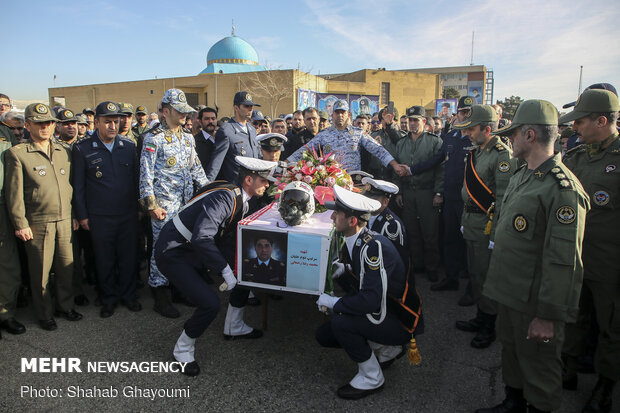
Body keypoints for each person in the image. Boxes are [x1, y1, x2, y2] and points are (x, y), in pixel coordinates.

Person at [476, 100, 589, 413]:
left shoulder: (562, 189)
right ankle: (513, 401)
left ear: (528, 135)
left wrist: (549, 315)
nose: (508, 140)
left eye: (512, 133)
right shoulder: (524, 174)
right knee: (512, 354)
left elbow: (564, 260)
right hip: (510, 293)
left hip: (535, 302)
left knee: (540, 369)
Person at [154, 156, 276, 376]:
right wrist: (225, 269)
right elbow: (203, 237)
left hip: (190, 249)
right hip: (174, 252)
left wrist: (237, 268)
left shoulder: (237, 195)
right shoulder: (226, 198)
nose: (267, 185)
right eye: (264, 180)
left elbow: (222, 238)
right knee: (210, 303)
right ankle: (183, 349)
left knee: (243, 269)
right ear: (249, 179)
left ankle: (234, 326)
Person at [315, 185, 412, 400]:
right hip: (387, 309)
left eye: (337, 213)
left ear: (352, 221)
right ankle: (386, 347)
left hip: (398, 319)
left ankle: (371, 377)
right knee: (324, 334)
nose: (332, 217)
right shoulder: (361, 239)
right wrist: (346, 271)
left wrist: (334, 303)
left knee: (340, 323)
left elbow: (370, 300)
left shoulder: (371, 248)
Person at [560, 89, 620, 413]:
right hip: (577, 257)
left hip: (611, 263)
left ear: (601, 120)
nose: (575, 128)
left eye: (581, 122)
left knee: (612, 325)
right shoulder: (577, 156)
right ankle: (568, 368)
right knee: (574, 315)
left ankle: (606, 385)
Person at [4, 103, 82, 331]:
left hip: (65, 219)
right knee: (41, 272)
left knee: (67, 267)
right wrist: (20, 224)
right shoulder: (17, 154)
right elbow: (14, 194)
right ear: (28, 125)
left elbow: (70, 188)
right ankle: (44, 313)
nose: (45, 127)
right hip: (38, 222)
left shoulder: (63, 151)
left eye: (48, 123)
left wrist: (75, 215)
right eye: (39, 123)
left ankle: (65, 306)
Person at [450, 105, 516, 349]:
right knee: (477, 274)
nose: (466, 133)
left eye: (471, 129)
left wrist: (497, 233)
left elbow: (503, 199)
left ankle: (490, 324)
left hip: (488, 226)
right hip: (472, 222)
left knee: (487, 277)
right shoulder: (477, 151)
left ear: (488, 129)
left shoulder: (501, 155)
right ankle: (481, 316)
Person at [140, 89, 209, 318]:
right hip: (164, 207)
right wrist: (151, 206)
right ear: (166, 111)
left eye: (186, 111)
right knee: (162, 250)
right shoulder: (153, 138)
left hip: (185, 206)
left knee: (183, 249)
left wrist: (209, 192)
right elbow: (145, 176)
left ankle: (180, 289)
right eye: (180, 111)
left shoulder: (188, 137)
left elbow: (196, 169)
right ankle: (160, 295)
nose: (184, 115)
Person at [73, 101, 142, 318]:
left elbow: (137, 180)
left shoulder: (129, 146)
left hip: (128, 214)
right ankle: (108, 298)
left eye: (116, 121)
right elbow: (78, 186)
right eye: (107, 121)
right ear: (97, 122)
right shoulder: (82, 148)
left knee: (129, 258)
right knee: (104, 259)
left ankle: (129, 296)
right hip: (100, 216)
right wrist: (82, 215)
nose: (113, 126)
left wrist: (140, 208)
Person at [287, 100, 409, 176]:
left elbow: (378, 149)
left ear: (348, 115)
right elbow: (304, 151)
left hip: (353, 182)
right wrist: (284, 164)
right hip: (331, 182)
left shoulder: (359, 133)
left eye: (343, 112)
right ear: (332, 115)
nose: (340, 115)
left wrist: (395, 165)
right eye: (337, 112)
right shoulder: (323, 135)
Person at [394, 106, 444, 282]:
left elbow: (441, 169)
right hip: (408, 192)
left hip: (427, 191)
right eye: (410, 120)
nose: (413, 123)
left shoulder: (435, 142)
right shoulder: (401, 143)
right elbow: (397, 169)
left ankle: (432, 267)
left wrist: (439, 192)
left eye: (416, 120)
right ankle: (418, 264)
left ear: (424, 121)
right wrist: (399, 191)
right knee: (411, 231)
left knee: (430, 232)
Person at [0, 109, 24, 338]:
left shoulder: (9, 139)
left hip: (4, 205)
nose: (17, 132)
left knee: (8, 265)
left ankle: (5, 314)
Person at [207, 91, 261, 182]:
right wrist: (206, 187)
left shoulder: (252, 130)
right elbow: (216, 163)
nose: (250, 109)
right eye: (246, 106)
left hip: (253, 188)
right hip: (236, 188)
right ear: (236, 107)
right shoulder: (226, 130)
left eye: (251, 106)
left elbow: (258, 158)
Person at [361, 177, 407, 264]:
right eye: (368, 197)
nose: (369, 201)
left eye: (373, 199)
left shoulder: (392, 224)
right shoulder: (365, 215)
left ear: (385, 202)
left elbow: (397, 257)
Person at [194, 106, 218, 174]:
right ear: (200, 121)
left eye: (213, 119)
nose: (210, 121)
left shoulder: (222, 138)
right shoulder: (195, 142)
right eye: (207, 119)